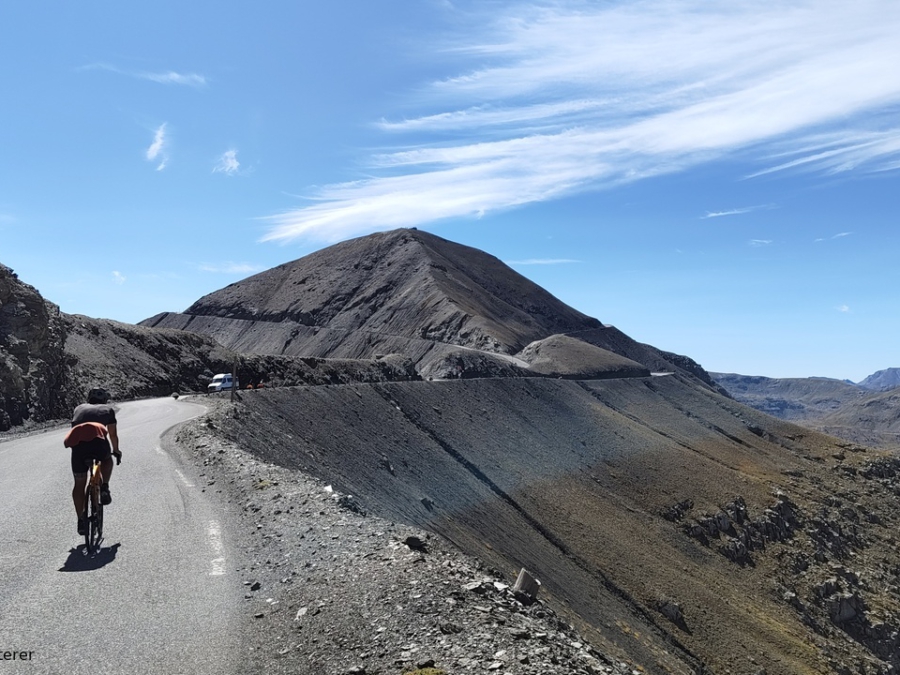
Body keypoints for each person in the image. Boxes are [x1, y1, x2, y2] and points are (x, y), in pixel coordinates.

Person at [63, 387, 122, 535]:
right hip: (98, 442)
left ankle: (81, 520)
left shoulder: (79, 408)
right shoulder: (108, 410)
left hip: (77, 444)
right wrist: (116, 450)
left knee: (79, 483)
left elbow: (76, 427)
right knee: (107, 461)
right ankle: (104, 488)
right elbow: (113, 435)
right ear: (105, 400)